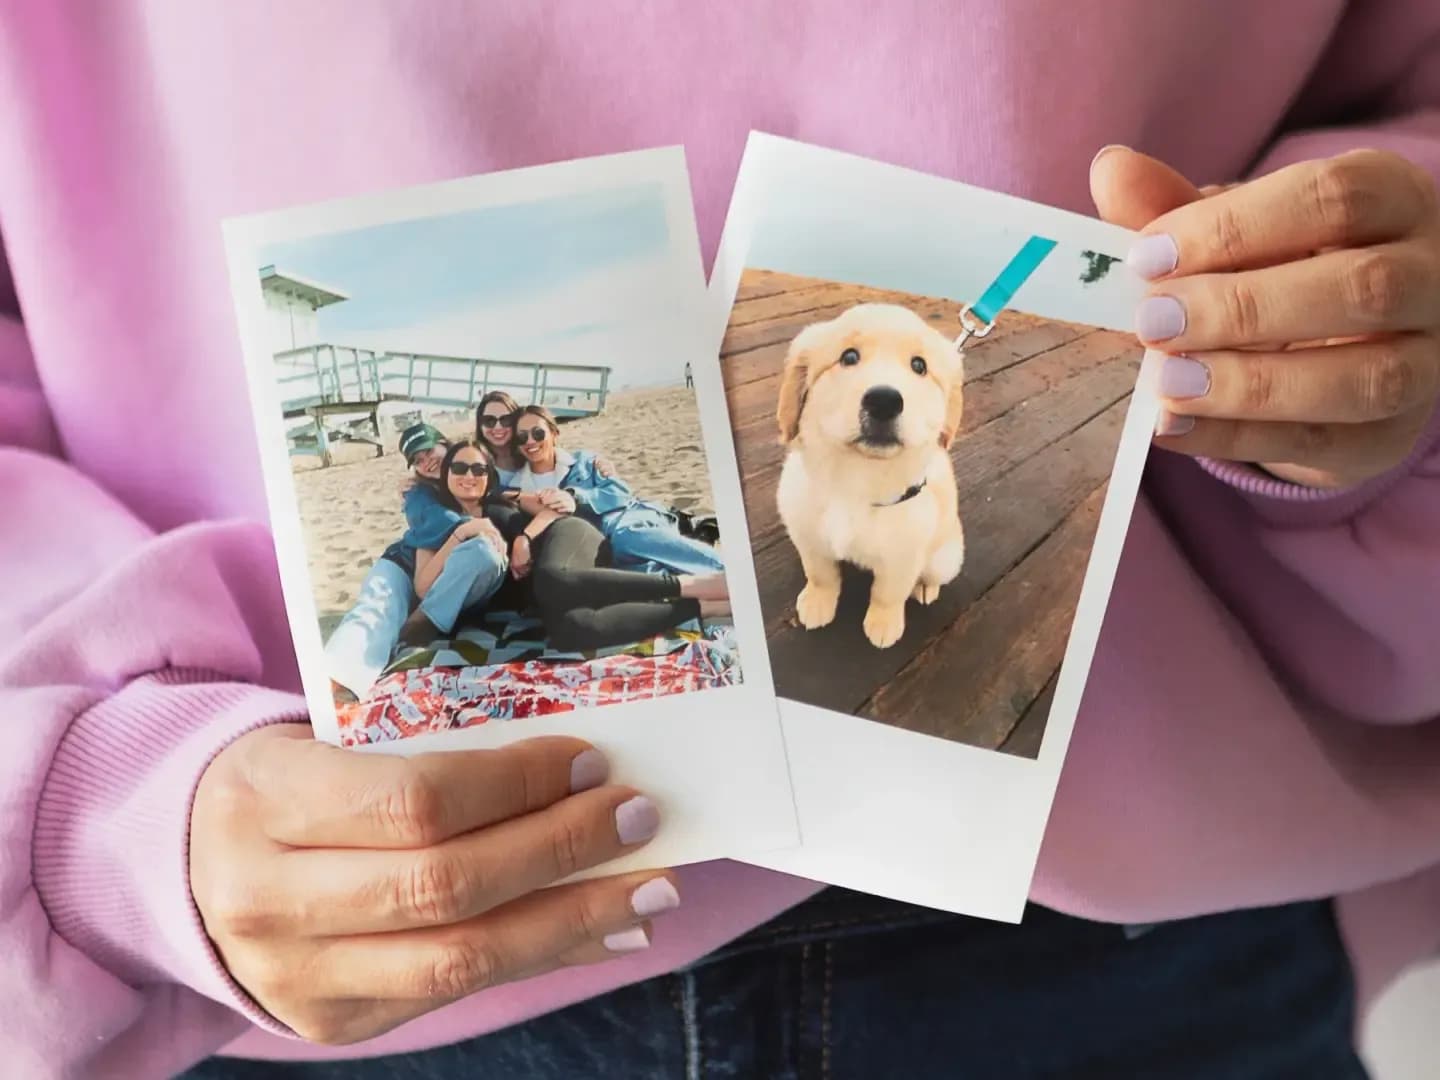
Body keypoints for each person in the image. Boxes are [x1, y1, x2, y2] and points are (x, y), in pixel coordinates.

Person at [5, 6, 1440, 1078]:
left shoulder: (591, 482)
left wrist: (1354, 320)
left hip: (1129, 928)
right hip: (341, 920)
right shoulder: (468, 510)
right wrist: (95, 795)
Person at [511, 404, 728, 578]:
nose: (530, 441)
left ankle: (725, 571)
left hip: (626, 519)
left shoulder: (583, 461)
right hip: (596, 543)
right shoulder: (520, 484)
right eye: (522, 437)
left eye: (538, 433)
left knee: (627, 537)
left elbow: (619, 492)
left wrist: (576, 497)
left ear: (554, 434)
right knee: (634, 573)